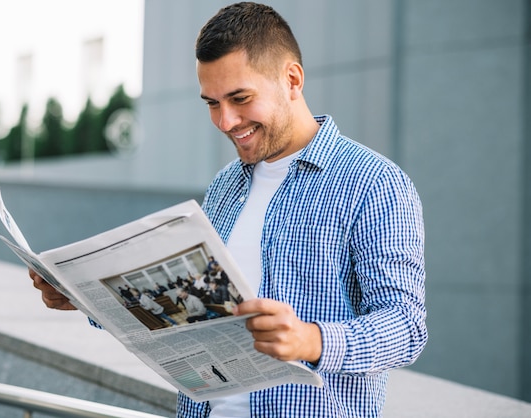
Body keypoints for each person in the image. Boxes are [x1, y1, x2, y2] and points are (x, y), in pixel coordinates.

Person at [29, 2, 427, 416]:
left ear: (292, 79)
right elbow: (188, 309)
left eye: (240, 98)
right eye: (212, 103)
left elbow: (406, 327)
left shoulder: (375, 183)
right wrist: (85, 297)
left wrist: (312, 340)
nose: (225, 121)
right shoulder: (225, 186)